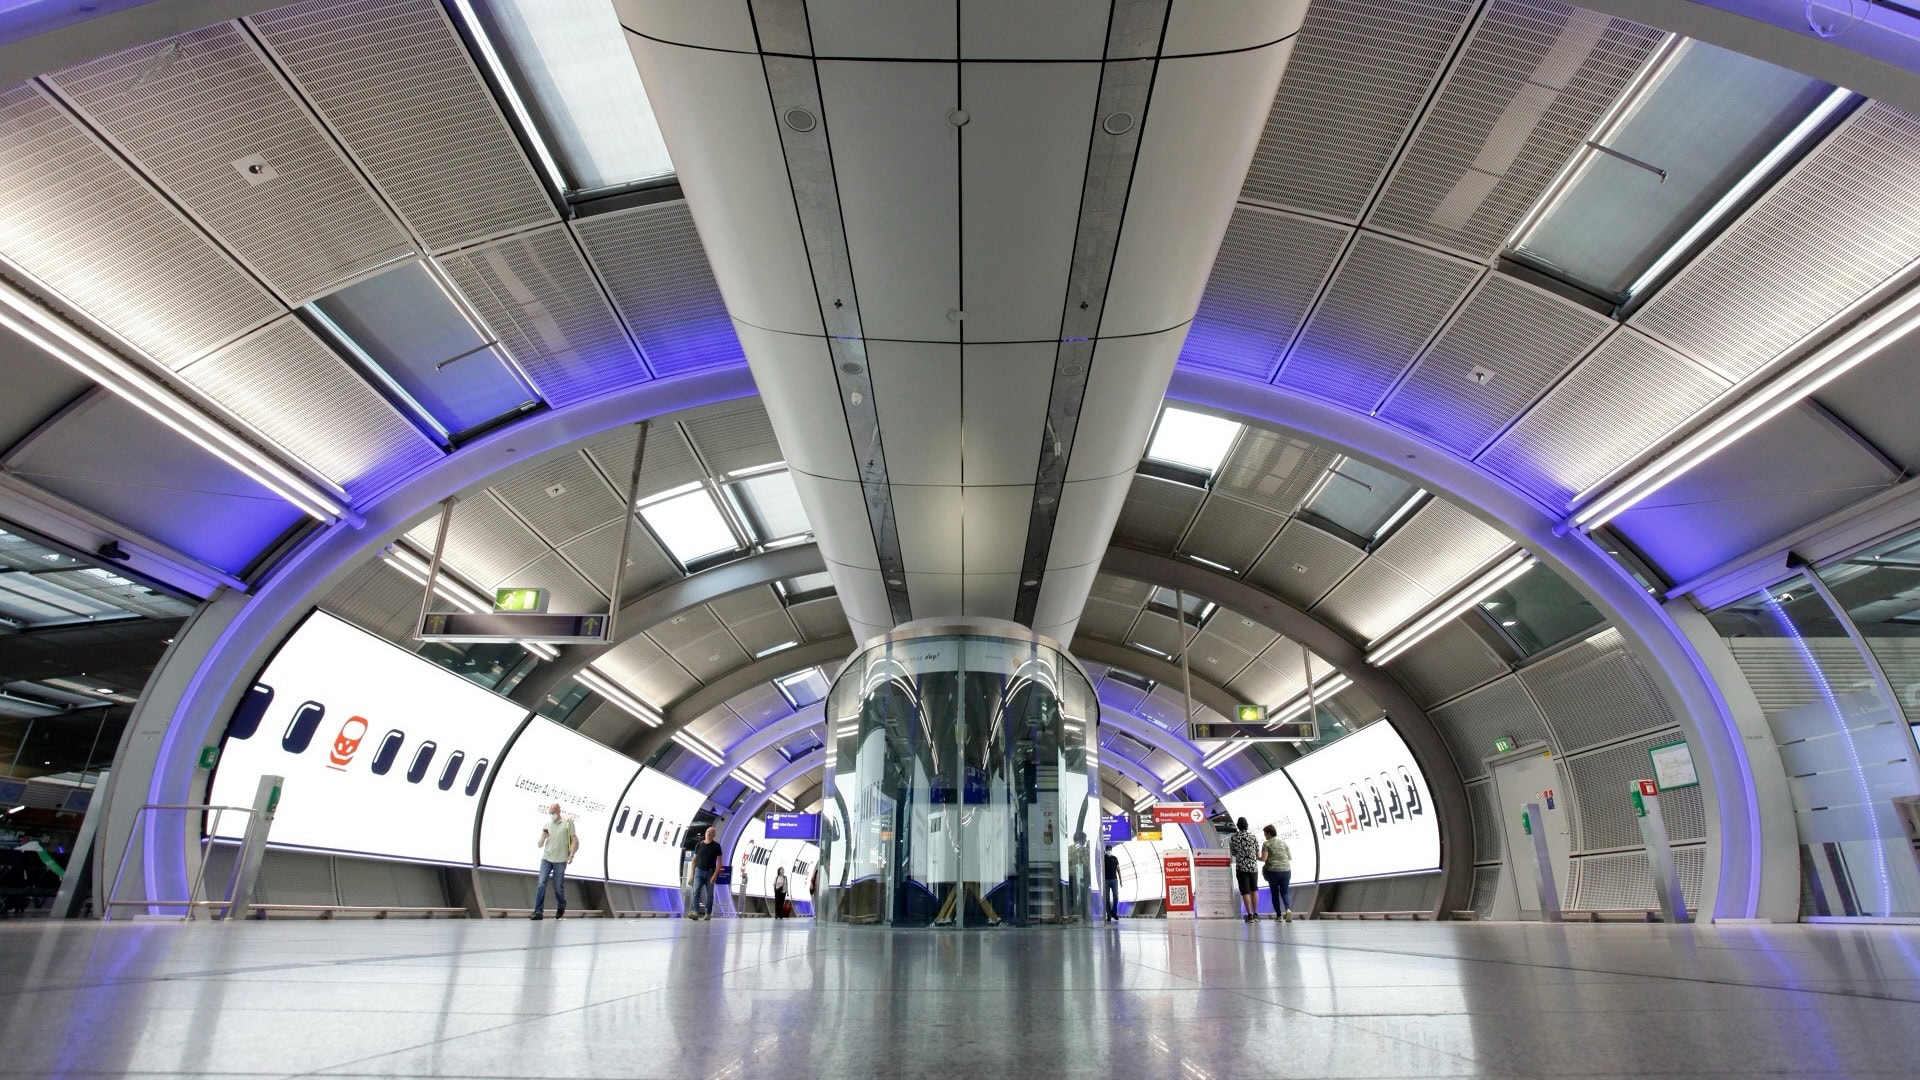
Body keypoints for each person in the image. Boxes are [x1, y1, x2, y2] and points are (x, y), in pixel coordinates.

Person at [531, 803, 576, 921]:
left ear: (559, 810)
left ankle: (561, 905)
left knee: (557, 887)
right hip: (547, 858)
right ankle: (538, 911)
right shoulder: (547, 824)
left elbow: (574, 840)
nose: (552, 815)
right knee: (541, 883)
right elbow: (539, 845)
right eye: (550, 812)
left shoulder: (568, 823)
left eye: (553, 812)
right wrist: (543, 837)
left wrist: (571, 855)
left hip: (560, 859)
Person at [1229, 816, 1262, 923]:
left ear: (1238, 826)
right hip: (1253, 867)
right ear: (1247, 825)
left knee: (1245, 892)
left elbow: (1233, 853)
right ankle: (1256, 914)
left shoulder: (1234, 838)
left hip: (1241, 868)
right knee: (1254, 890)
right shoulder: (1253, 837)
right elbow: (1257, 854)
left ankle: (1250, 915)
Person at [1261, 824, 1293, 922]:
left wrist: (1257, 857)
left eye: (1265, 834)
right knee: (1285, 892)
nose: (1265, 836)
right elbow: (1290, 857)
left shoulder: (1266, 844)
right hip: (1286, 871)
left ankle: (1279, 916)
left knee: (1275, 894)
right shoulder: (1283, 842)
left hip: (1273, 872)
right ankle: (1288, 909)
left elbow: (1264, 859)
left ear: (1269, 834)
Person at [690, 825, 723, 920]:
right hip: (699, 871)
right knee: (696, 892)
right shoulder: (699, 845)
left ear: (714, 835)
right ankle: (695, 911)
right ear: (705, 833)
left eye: (711, 832)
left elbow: (719, 863)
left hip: (710, 873)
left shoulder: (716, 846)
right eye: (707, 832)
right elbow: (694, 860)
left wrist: (715, 875)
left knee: (710, 894)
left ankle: (708, 912)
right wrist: (692, 874)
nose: (708, 833)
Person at [1102, 846, 1120, 922]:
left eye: (1110, 850)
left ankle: (1114, 913)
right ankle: (1109, 914)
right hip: (1106, 880)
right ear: (1105, 851)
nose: (1109, 851)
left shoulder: (1115, 858)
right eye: (1108, 850)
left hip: (1114, 880)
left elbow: (1118, 869)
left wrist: (1121, 880)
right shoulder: (1103, 858)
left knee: (1116, 896)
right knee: (1107, 898)